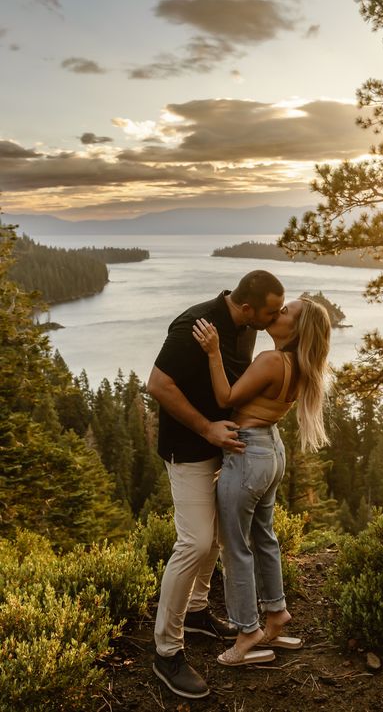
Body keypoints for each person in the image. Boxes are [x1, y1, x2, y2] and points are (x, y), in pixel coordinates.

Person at [147, 270, 285, 699]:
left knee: (220, 535)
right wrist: (207, 429)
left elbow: (233, 386)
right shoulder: (196, 325)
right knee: (195, 543)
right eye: (271, 311)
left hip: (224, 448)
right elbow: (158, 384)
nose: (275, 318)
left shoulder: (245, 327)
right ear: (247, 307)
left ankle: (197, 612)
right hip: (189, 449)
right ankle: (166, 652)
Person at [192, 296, 331, 666]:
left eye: (285, 312)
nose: (277, 312)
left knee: (234, 546)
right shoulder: (301, 365)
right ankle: (275, 614)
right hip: (271, 450)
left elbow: (226, 398)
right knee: (264, 537)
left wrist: (213, 351)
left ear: (297, 329)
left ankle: (247, 631)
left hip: (247, 454)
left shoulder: (272, 360)